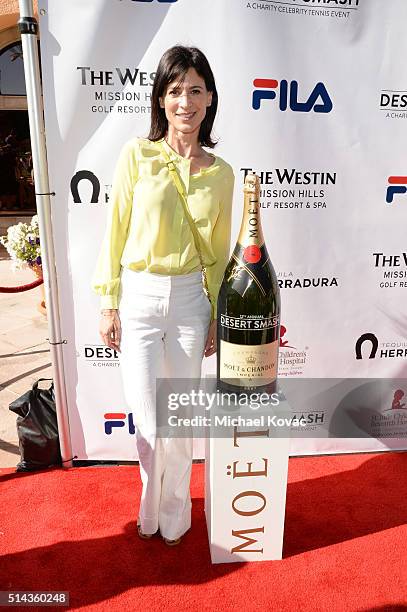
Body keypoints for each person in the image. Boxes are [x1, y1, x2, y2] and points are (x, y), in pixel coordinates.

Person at [92, 46, 235, 546]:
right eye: (175, 90)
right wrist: (109, 301)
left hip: (192, 305)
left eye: (196, 89)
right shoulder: (137, 155)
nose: (185, 101)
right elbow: (115, 230)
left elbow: (218, 252)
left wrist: (217, 312)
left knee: (180, 422)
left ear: (210, 98)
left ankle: (174, 518)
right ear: (161, 98)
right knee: (150, 423)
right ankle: (149, 511)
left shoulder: (221, 173)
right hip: (140, 297)